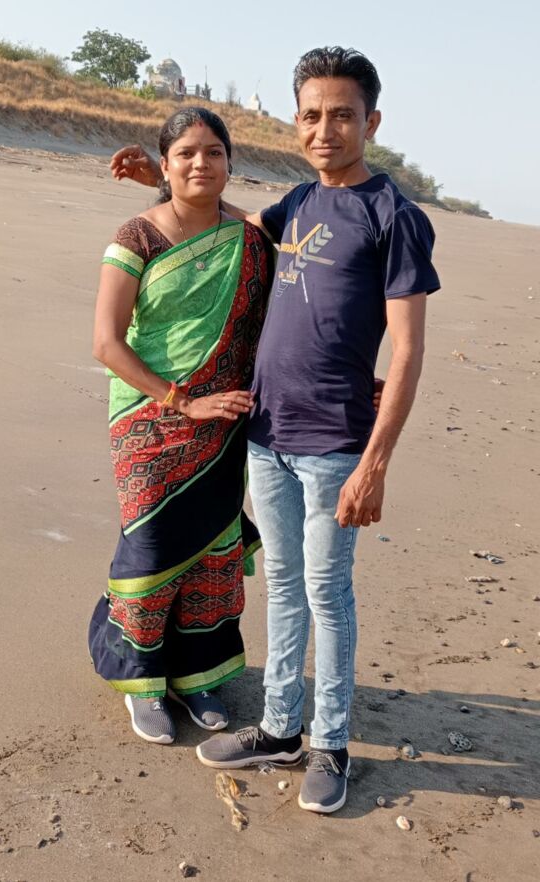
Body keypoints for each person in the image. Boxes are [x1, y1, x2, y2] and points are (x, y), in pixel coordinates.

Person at [111, 45, 439, 813]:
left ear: (371, 123)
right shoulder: (297, 203)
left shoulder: (395, 217)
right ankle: (281, 729)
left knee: (328, 592)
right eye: (312, 115)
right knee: (285, 586)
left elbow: (409, 350)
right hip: (267, 436)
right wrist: (162, 180)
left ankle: (330, 744)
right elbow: (228, 226)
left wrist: (375, 464)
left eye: (343, 115)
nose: (326, 130)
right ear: (297, 122)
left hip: (335, 445)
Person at [89, 107, 271, 745]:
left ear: (230, 163)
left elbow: (282, 247)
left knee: (213, 546)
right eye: (186, 154)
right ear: (164, 165)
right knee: (153, 542)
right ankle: (141, 680)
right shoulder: (137, 236)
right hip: (149, 414)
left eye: (214, 152)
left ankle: (198, 676)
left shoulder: (249, 239)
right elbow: (106, 343)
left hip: (226, 418)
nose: (202, 163)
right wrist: (181, 401)